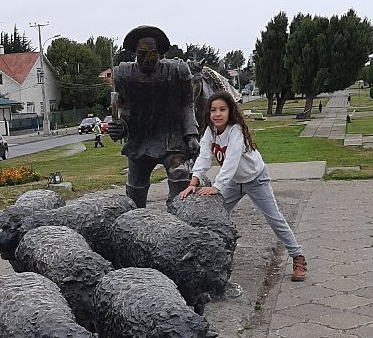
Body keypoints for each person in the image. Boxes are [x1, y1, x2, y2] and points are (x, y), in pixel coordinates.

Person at [179, 91, 307, 282]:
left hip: (256, 179)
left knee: (274, 218)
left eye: (222, 109)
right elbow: (204, 157)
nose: (217, 114)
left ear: (230, 111)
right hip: (233, 182)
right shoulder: (209, 132)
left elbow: (231, 160)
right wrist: (193, 183)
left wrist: (217, 187)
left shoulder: (236, 130)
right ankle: (209, 259)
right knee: (215, 216)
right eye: (213, 110)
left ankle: (297, 257)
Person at [107, 25, 200, 208]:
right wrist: (119, 127)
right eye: (142, 53)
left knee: (179, 173)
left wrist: (191, 135)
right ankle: (134, 222)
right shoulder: (124, 75)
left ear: (160, 53)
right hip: (139, 141)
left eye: (153, 53)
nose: (148, 58)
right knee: (134, 190)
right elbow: (123, 111)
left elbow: (187, 105)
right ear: (134, 53)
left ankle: (179, 216)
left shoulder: (177, 71)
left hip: (171, 139)